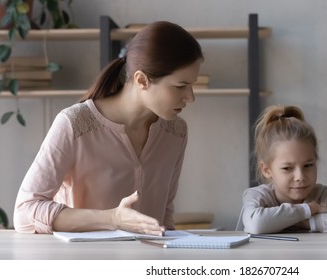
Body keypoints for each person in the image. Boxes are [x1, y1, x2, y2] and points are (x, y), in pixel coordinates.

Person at [13, 21, 204, 235]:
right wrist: (112, 218)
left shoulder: (176, 132)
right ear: (142, 80)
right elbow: (24, 212)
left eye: (192, 85)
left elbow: (165, 214)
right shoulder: (74, 124)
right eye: (181, 86)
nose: (191, 97)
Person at [241, 105, 327, 234]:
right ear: (266, 170)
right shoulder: (256, 196)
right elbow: (256, 224)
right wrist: (309, 209)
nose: (300, 176)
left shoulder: (320, 195)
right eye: (287, 168)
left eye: (308, 165)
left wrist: (308, 222)